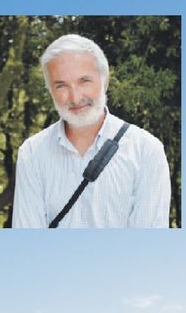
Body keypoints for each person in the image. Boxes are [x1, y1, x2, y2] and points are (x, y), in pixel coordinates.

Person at [12, 34, 171, 228]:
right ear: (50, 91)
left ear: (105, 81)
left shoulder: (146, 151)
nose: (75, 97)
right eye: (61, 85)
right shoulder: (32, 153)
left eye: (84, 81)